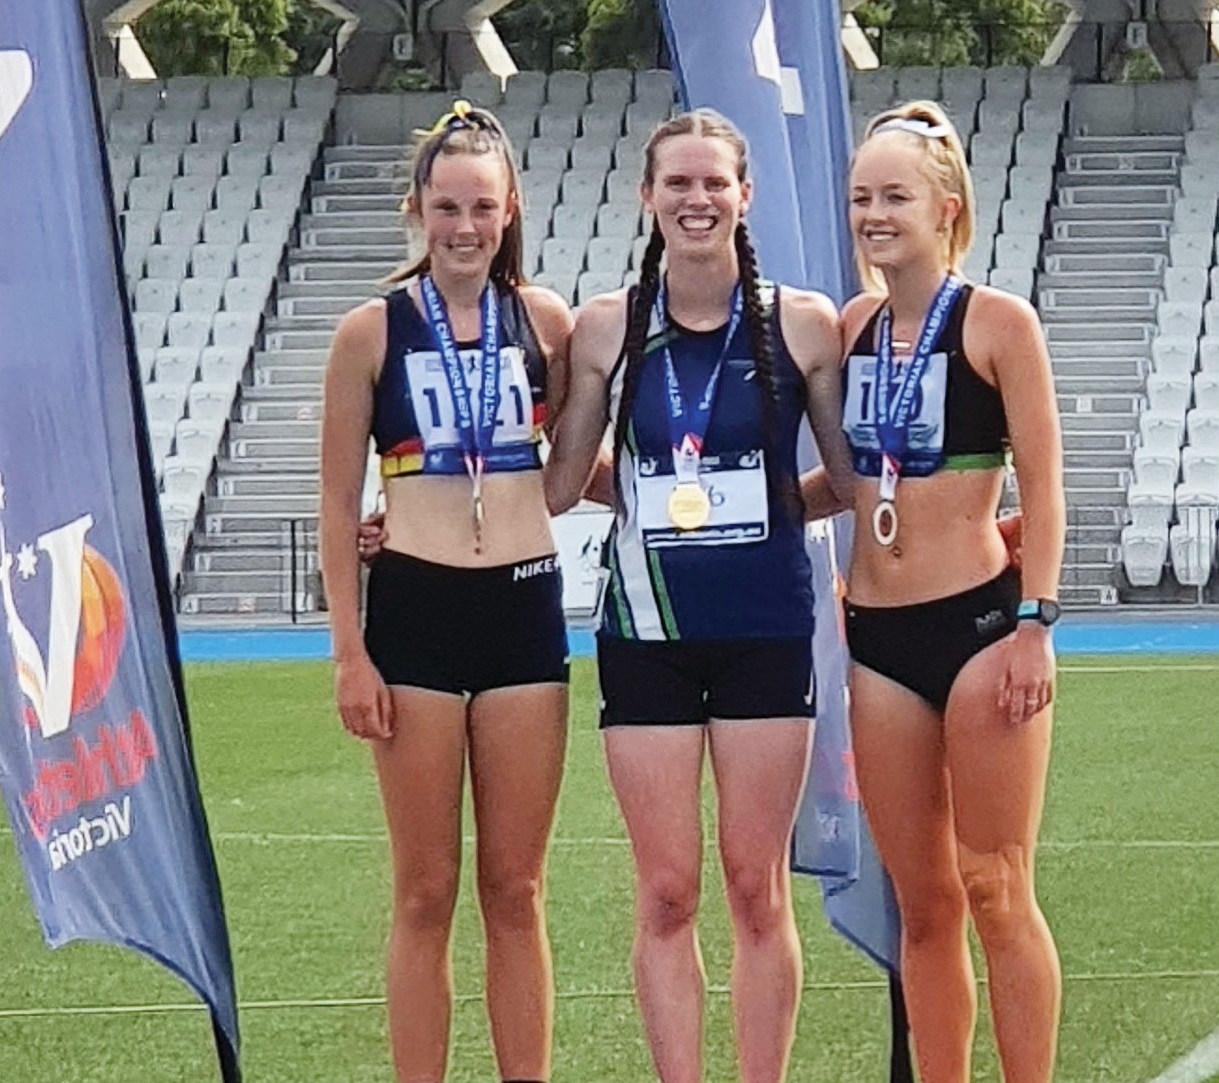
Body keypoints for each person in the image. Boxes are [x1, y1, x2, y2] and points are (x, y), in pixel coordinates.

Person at [543, 108, 854, 1083]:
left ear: (743, 195)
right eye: (676, 183)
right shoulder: (608, 327)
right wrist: (640, 498)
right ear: (647, 197)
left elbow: (844, 480)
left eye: (712, 182)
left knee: (755, 889)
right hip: (646, 634)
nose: (695, 199)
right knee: (668, 891)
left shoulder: (801, 323)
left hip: (764, 629)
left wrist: (766, 509)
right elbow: (560, 483)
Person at [318, 101, 573, 1083]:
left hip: (522, 609)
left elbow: (581, 462)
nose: (464, 228)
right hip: (415, 617)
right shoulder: (369, 333)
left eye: (482, 208)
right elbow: (339, 504)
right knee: (424, 894)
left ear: (508, 211)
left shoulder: (544, 321)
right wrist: (349, 652)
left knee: (517, 891)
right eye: (445, 207)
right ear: (417, 209)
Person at [836, 101, 1065, 1083]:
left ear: (945, 208)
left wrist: (1035, 624)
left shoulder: (997, 322)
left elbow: (1047, 488)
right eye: (860, 199)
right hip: (875, 641)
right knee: (919, 903)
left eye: (894, 196)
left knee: (994, 885)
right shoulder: (853, 326)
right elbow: (845, 480)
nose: (874, 215)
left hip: (978, 628)